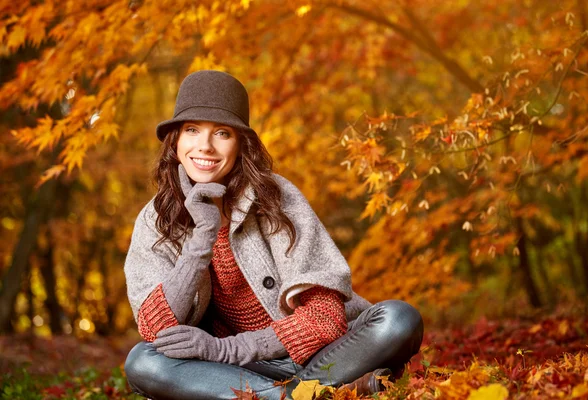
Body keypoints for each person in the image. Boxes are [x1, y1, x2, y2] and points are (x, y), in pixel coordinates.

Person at [123, 70, 424, 400]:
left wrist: (223, 350)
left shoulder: (278, 197)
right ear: (176, 141)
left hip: (318, 355)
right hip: (234, 374)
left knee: (397, 319)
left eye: (221, 133)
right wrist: (202, 238)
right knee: (142, 360)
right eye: (192, 130)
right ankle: (307, 396)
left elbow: (325, 319)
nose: (205, 146)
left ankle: (287, 395)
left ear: (240, 143)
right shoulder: (155, 220)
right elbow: (157, 330)